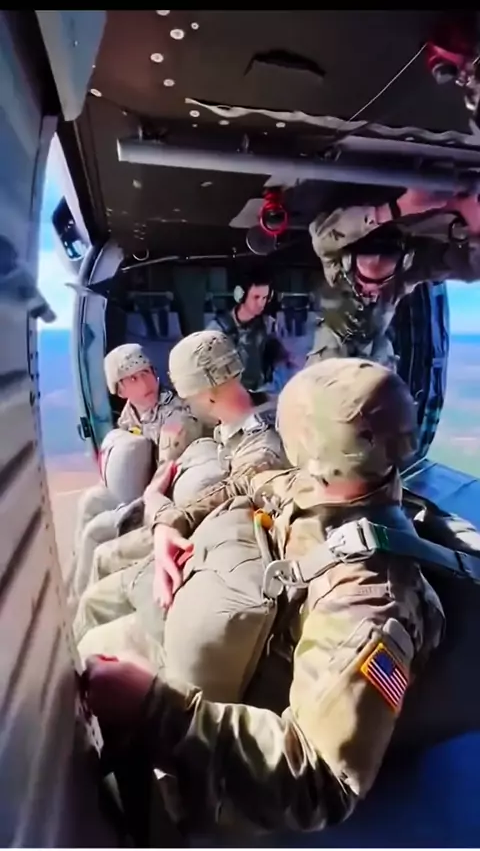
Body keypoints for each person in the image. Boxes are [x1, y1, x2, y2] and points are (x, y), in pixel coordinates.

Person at [83, 357, 445, 837]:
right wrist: (171, 523)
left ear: (309, 445)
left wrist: (155, 709)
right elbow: (249, 481)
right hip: (239, 624)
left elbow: (321, 780)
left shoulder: (370, 604)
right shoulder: (323, 485)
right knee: (94, 617)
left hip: (245, 726)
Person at [73, 329, 288, 654]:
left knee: (102, 573)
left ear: (207, 396)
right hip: (200, 528)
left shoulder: (260, 451)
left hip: (217, 551)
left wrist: (158, 507)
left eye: (189, 397)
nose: (184, 403)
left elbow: (226, 495)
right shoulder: (234, 421)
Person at [70, 343, 203, 601]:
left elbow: (166, 475)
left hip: (162, 499)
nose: (143, 382)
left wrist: (133, 507)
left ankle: (80, 600)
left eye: (145, 372)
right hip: (139, 488)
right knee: (89, 501)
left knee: (94, 532)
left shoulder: (175, 417)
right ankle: (77, 578)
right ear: (119, 390)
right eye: (132, 378)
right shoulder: (130, 415)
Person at [308, 188, 480, 369]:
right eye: (367, 280)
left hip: (382, 213)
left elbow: (322, 238)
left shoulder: (337, 272)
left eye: (374, 281)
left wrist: (399, 208)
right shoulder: (401, 281)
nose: (371, 292)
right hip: (370, 352)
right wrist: (473, 226)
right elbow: (470, 269)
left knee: (327, 370)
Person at [207, 269, 292, 393]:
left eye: (265, 298)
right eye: (256, 297)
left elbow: (282, 360)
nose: (261, 303)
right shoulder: (217, 329)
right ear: (240, 295)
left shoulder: (269, 325)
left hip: (262, 392)